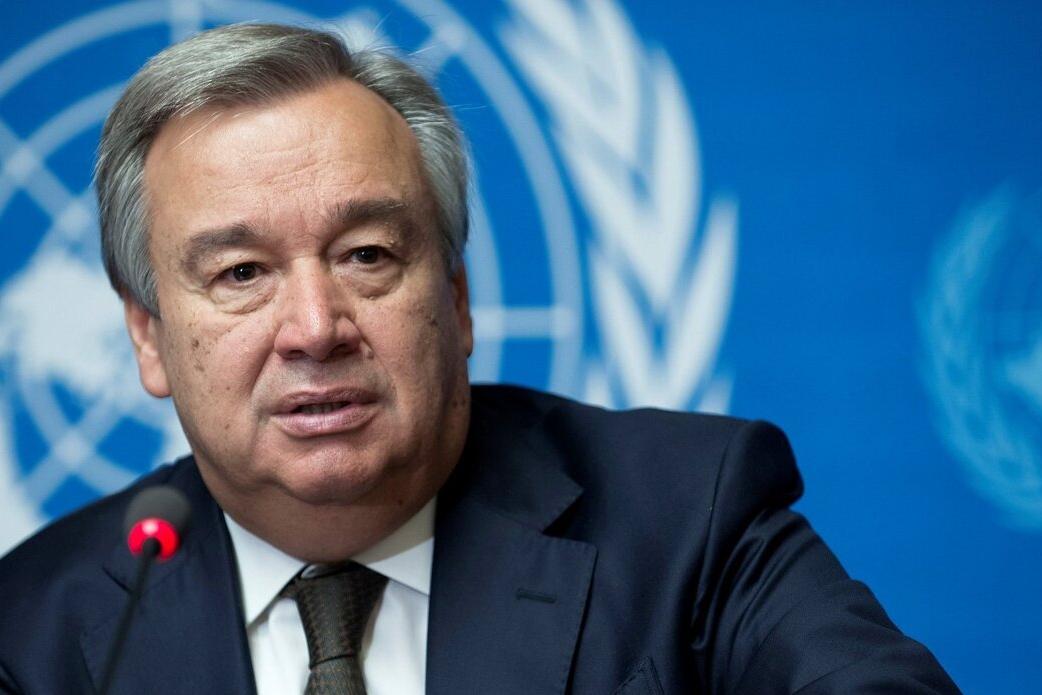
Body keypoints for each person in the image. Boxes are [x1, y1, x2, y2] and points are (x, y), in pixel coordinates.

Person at [0, 23, 959, 695]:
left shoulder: (688, 520)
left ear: (455, 299)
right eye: (242, 272)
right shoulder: (33, 631)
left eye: (367, 255)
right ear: (149, 336)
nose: (315, 327)